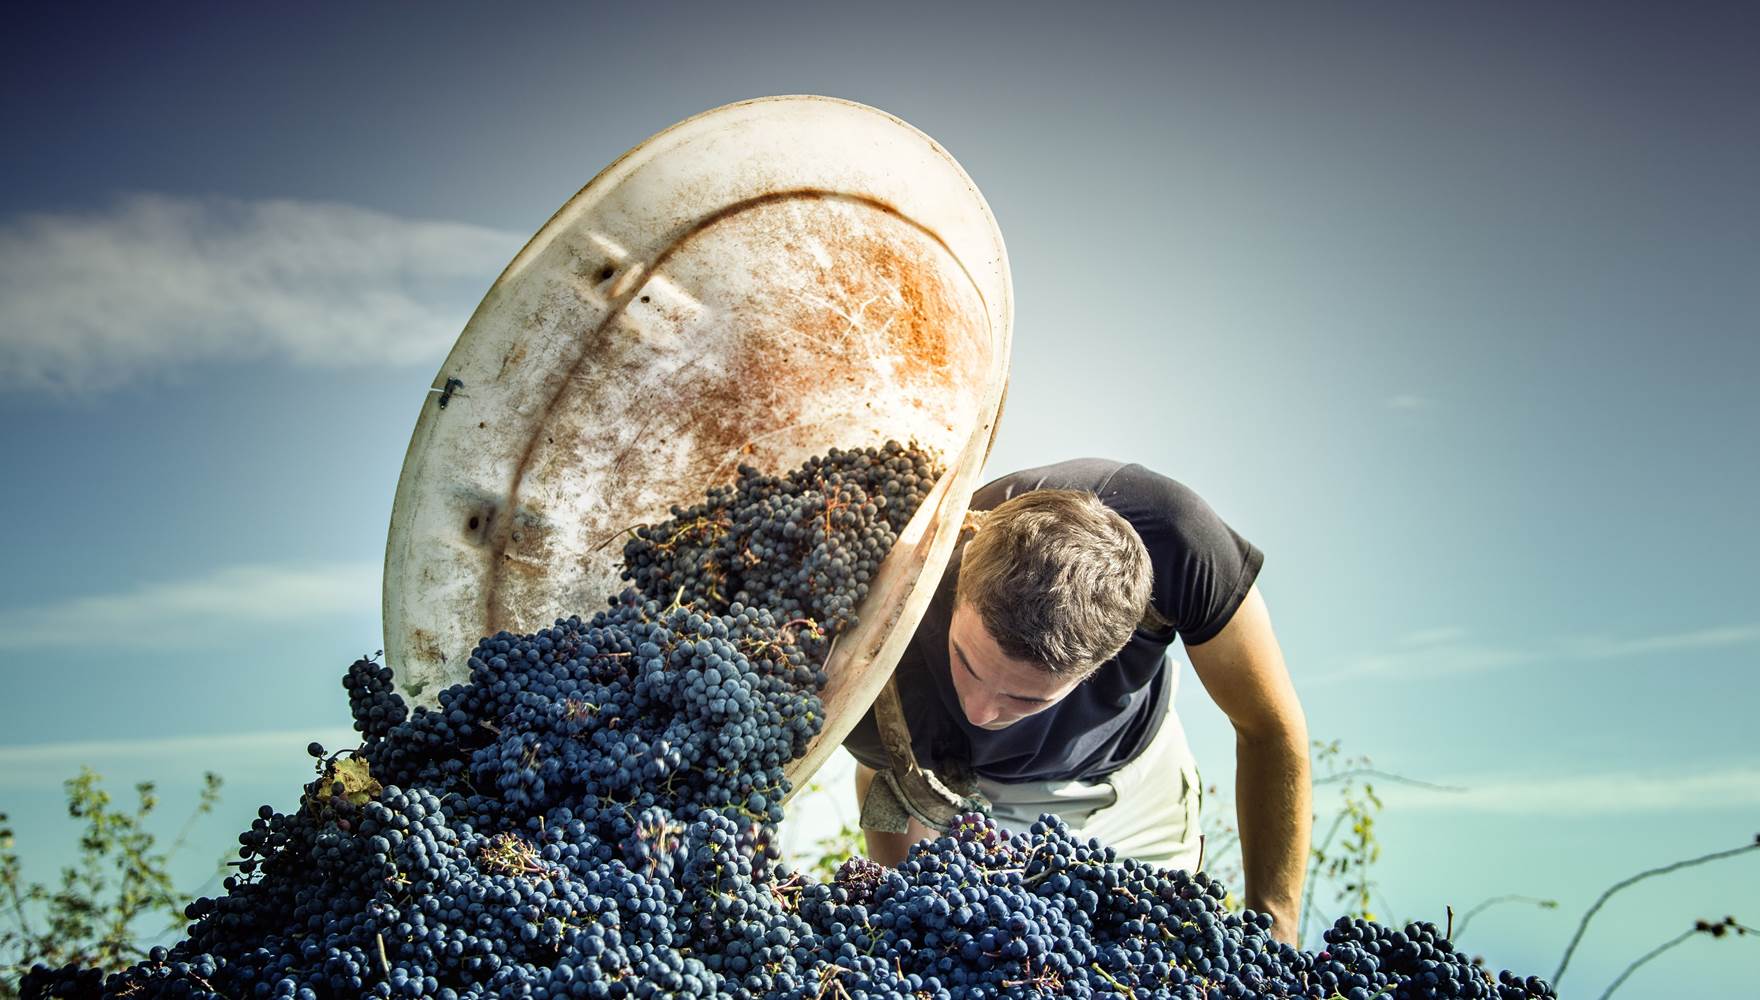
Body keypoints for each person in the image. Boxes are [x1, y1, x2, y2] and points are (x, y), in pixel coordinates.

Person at [841, 458, 1311, 944]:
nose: (980, 711)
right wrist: (906, 929)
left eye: (1023, 698)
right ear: (961, 588)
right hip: (981, 798)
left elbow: (1267, 727)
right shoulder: (890, 624)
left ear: (1095, 667)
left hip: (1138, 779)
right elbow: (888, 784)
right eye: (967, 661)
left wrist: (1277, 932)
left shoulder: (1176, 537)